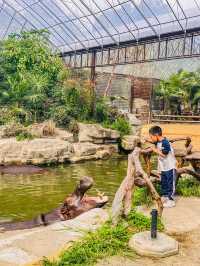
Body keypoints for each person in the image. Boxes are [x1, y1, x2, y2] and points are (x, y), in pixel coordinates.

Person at [146, 126, 177, 208]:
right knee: (164, 182)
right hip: (164, 167)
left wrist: (154, 150)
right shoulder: (158, 141)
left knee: (170, 184)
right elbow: (154, 142)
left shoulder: (165, 143)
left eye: (151, 137)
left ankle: (171, 200)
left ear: (156, 135)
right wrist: (146, 140)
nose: (151, 139)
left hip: (170, 166)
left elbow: (164, 154)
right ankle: (165, 196)